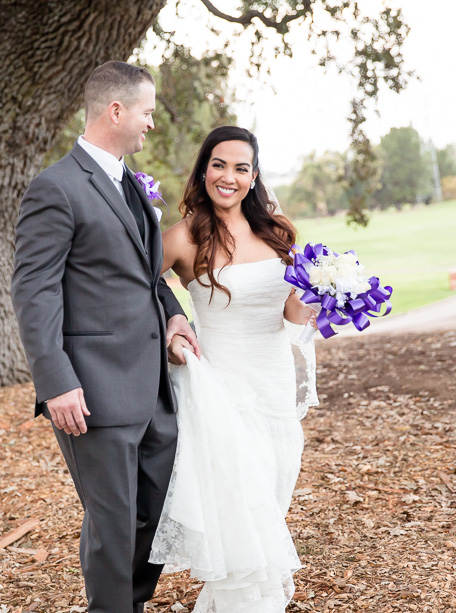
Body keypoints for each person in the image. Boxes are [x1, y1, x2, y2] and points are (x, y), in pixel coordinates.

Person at [10, 61, 200, 613]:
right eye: (146, 111)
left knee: (160, 513)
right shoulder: (56, 189)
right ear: (116, 110)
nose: (152, 124)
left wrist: (173, 313)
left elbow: (143, 273)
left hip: (151, 386)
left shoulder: (126, 183)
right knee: (114, 523)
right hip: (91, 391)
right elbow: (35, 292)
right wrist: (56, 382)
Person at [149, 126, 317, 613]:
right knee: (244, 523)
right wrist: (172, 326)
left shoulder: (277, 231)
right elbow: (132, 289)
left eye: (241, 167)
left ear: (254, 176)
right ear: (204, 171)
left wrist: (322, 302)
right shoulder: (182, 238)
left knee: (271, 501)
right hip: (221, 391)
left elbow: (290, 310)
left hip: (274, 386)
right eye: (219, 165)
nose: (229, 176)